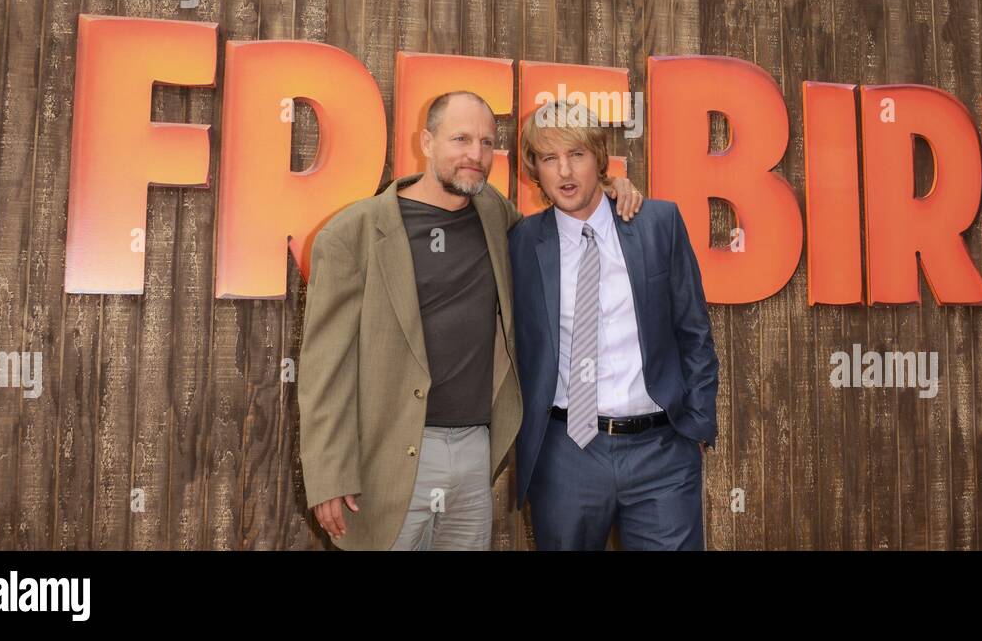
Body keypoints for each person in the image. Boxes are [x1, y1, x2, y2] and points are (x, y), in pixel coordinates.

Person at [297, 90, 642, 550]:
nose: (475, 155)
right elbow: (325, 368)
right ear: (426, 141)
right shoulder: (351, 234)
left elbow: (566, 224)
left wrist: (611, 187)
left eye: (485, 142)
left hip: (474, 454)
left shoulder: (496, 217)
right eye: (460, 139)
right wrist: (328, 474)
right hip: (388, 459)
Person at [508, 99, 719, 550]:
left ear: (600, 160)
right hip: (566, 454)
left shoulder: (658, 223)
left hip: (661, 452)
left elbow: (694, 332)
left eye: (577, 154)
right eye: (549, 158)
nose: (565, 171)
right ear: (534, 170)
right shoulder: (521, 243)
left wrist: (696, 426)